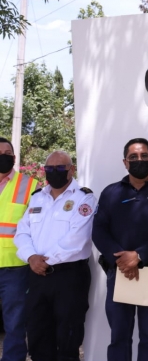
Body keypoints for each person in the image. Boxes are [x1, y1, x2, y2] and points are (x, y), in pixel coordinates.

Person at [92, 138, 148, 361]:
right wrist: (122, 261)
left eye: (144, 156)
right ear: (125, 162)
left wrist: (138, 256)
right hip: (119, 271)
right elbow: (99, 231)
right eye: (133, 157)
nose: (138, 160)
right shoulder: (110, 192)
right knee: (119, 336)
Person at [14, 150, 96, 361]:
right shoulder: (37, 197)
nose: (54, 172)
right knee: (38, 335)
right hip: (37, 275)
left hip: (69, 276)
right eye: (50, 168)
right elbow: (22, 232)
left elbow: (78, 238)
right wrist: (31, 257)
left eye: (60, 168)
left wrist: (44, 260)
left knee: (68, 337)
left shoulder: (84, 198)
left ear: (71, 169)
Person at [0, 137, 40, 361]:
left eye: (8, 153)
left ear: (15, 158)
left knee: (15, 325)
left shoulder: (30, 185)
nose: (4, 156)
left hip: (15, 268)